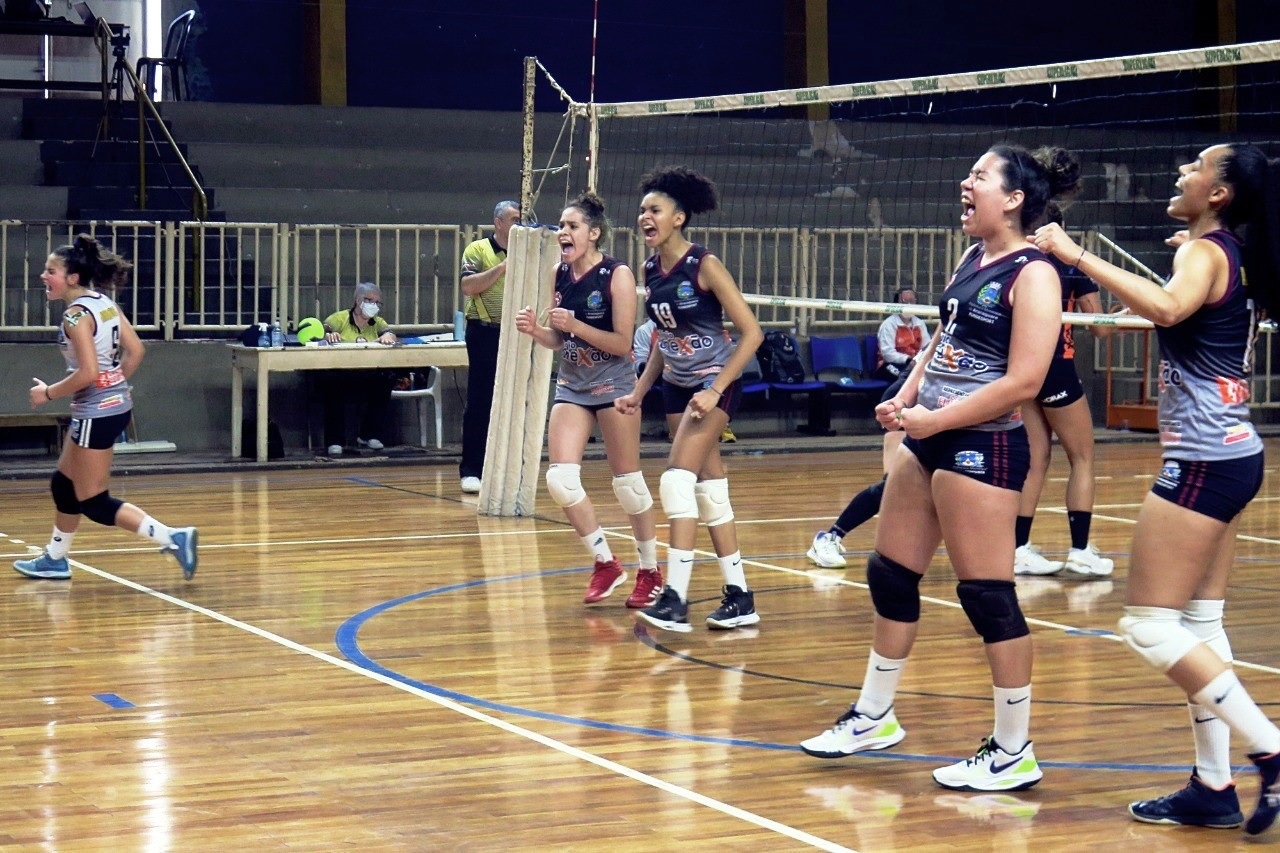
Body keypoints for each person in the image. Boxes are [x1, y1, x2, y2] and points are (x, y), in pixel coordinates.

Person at [801, 144, 1080, 793]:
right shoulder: (972, 257)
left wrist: (940, 418)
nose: (965, 181)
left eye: (979, 175)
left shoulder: (1034, 273)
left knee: (987, 595)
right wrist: (906, 392)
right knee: (890, 572)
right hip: (929, 431)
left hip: (983, 443)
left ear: (1013, 198)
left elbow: (1025, 380)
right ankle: (873, 714)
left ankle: (1014, 750)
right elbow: (943, 336)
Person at [1034, 143, 1280, 837]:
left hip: (1203, 459)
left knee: (1147, 623)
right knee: (1199, 623)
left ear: (1222, 192)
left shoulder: (1208, 255)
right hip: (1234, 453)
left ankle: (1270, 748)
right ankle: (1212, 785)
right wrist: (1185, 256)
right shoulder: (1224, 251)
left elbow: (1170, 311)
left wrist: (1076, 255)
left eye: (1197, 166)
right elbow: (1186, 304)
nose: (1181, 171)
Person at [614, 166, 765, 632]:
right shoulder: (649, 269)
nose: (644, 217)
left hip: (714, 383)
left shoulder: (705, 265)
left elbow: (752, 333)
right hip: (676, 386)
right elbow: (663, 337)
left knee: (676, 483)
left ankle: (676, 598)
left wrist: (716, 388)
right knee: (709, 491)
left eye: (654, 210)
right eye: (641, 211)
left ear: (678, 218)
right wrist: (639, 392)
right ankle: (739, 596)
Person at [13, 235, 198, 582]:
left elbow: (88, 372)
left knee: (94, 501)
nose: (43, 276)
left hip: (97, 413)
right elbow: (136, 351)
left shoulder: (74, 316)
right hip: (110, 407)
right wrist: (112, 388)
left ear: (72, 278)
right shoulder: (103, 303)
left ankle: (173, 537)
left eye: (50, 271)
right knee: (63, 484)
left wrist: (48, 393)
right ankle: (55, 558)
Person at [513, 192, 663, 609]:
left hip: (614, 384)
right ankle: (605, 562)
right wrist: (535, 331)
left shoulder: (617, 274)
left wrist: (576, 323)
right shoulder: (558, 272)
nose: (563, 232)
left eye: (572, 226)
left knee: (628, 485)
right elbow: (559, 339)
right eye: (561, 225)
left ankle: (650, 570)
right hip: (574, 384)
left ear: (593, 233)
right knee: (560, 479)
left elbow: (620, 344)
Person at [1014, 203, 1115, 578]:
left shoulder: (1016, 260)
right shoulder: (1071, 265)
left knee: (1035, 459)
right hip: (1056, 367)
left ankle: (1018, 549)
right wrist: (1121, 317)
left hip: (1022, 370)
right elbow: (1101, 328)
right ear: (1061, 230)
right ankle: (1080, 550)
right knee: (1083, 458)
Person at [807, 371, 910, 568]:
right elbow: (922, 362)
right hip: (911, 399)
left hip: (950, 408)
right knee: (892, 487)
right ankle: (829, 537)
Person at [459, 200, 521, 494]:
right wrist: (503, 267)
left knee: (514, 402)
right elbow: (468, 286)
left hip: (518, 333)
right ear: (498, 222)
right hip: (484, 332)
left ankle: (508, 470)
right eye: (514, 219)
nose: (519, 225)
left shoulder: (527, 252)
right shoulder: (477, 249)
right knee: (480, 401)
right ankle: (471, 469)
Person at [318, 281, 396, 457]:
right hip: (341, 371)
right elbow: (322, 331)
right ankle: (335, 441)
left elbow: (389, 332)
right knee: (333, 384)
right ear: (357, 300)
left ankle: (370, 435)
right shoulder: (339, 318)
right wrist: (329, 335)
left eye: (377, 303)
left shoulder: (377, 322)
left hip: (367, 372)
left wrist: (387, 336)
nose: (373, 306)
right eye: (369, 300)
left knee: (386, 379)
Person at [873, 287, 929, 383]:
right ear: (897, 303)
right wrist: (908, 360)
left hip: (915, 364)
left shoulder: (920, 324)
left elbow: (927, 347)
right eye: (904, 302)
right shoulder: (889, 324)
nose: (909, 305)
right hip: (889, 365)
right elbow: (888, 354)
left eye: (912, 301)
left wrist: (920, 361)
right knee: (905, 378)